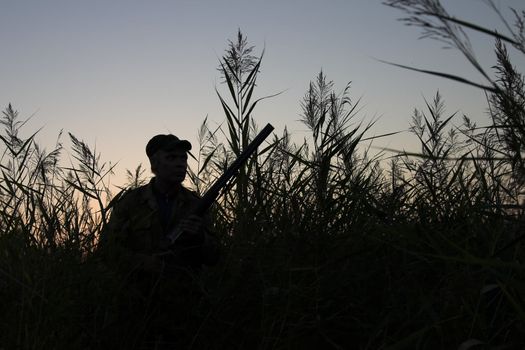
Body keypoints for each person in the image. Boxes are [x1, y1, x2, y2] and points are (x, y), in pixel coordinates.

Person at [98, 133, 219, 348]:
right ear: (154, 163)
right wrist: (144, 263)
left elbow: (214, 257)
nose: (180, 164)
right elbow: (108, 250)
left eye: (183, 159)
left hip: (182, 310)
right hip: (135, 308)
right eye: (171, 158)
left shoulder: (195, 204)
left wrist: (199, 237)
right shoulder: (131, 203)